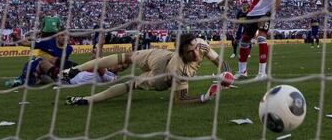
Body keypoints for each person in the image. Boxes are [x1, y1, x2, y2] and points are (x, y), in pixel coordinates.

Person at [62, 33, 232, 105]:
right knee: (133, 82)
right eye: (190, 52)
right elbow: (180, 100)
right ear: (182, 53)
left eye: (195, 48)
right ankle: (76, 70)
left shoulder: (201, 44)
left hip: (161, 55)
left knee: (127, 59)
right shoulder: (179, 69)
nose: (195, 54)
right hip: (162, 76)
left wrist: (227, 72)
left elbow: (219, 60)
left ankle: (87, 98)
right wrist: (204, 97)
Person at [218, 0, 282, 80]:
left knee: (261, 38)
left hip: (265, 13)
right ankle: (242, 72)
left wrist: (268, 15)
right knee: (244, 40)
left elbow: (278, 0)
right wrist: (229, 0)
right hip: (252, 13)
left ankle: (262, 73)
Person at [5, 31, 75, 87]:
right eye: (62, 35)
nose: (64, 37)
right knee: (35, 61)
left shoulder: (69, 49)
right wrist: (17, 39)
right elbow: (27, 43)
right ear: (56, 36)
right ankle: (22, 79)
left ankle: (36, 78)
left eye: (66, 35)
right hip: (39, 65)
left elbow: (64, 63)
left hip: (52, 71)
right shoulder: (47, 43)